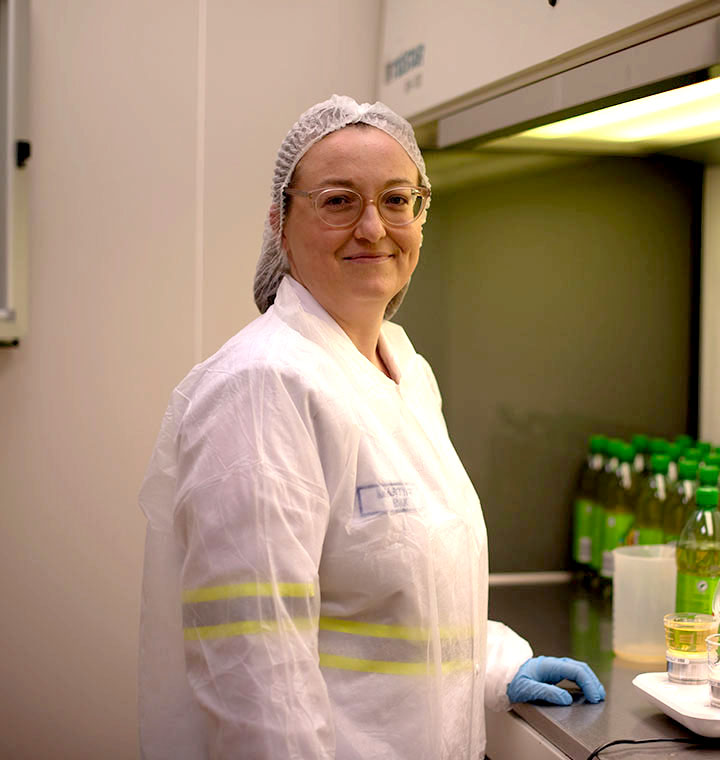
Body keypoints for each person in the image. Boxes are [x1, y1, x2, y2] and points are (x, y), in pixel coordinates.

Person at [138, 94, 605, 760]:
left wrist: (494, 664)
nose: (373, 228)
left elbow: (405, 590)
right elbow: (257, 678)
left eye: (395, 200)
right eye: (337, 201)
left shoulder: (402, 370)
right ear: (280, 223)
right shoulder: (264, 388)